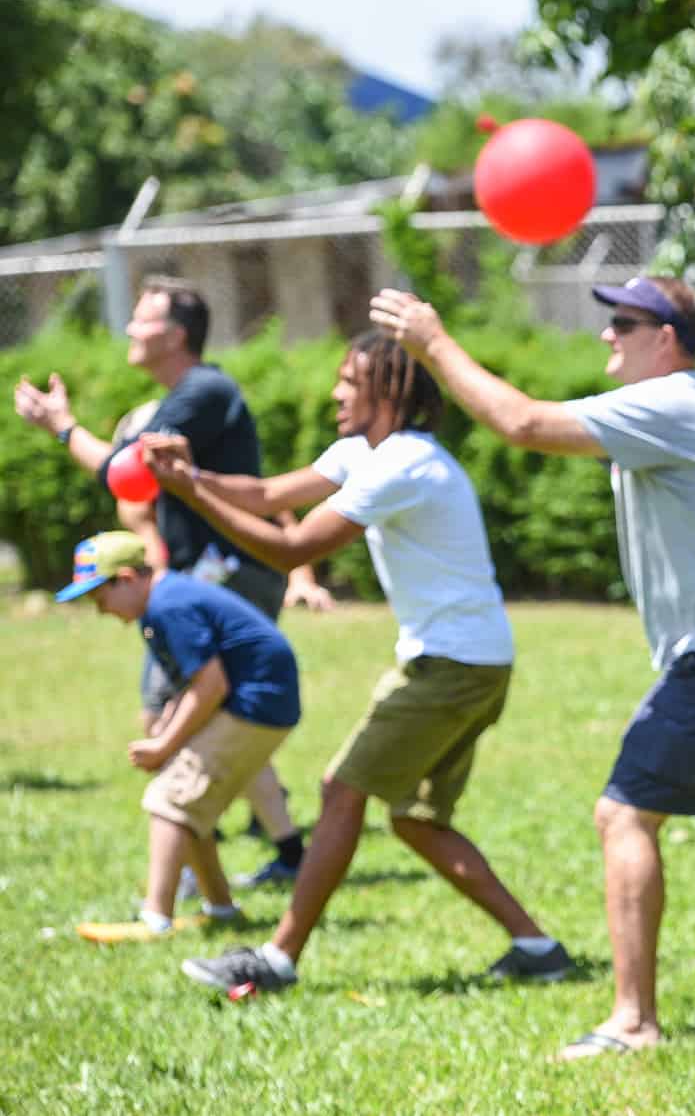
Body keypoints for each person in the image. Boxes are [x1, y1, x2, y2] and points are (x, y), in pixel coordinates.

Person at [368, 277, 695, 1059]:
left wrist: (435, 343)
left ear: (667, 338)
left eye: (623, 321)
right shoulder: (665, 406)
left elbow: (523, 423)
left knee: (623, 814)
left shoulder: (676, 403)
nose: (606, 334)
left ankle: (633, 1020)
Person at [145, 329, 569, 993]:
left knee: (342, 789)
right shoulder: (363, 453)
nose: (337, 392)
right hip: (466, 659)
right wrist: (191, 476)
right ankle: (537, 947)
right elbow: (267, 495)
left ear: (389, 389)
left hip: (454, 664)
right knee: (416, 820)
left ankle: (278, 958)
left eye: (351, 380)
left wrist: (194, 495)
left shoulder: (406, 464)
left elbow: (292, 550)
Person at [14, 277, 312, 886]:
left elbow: (125, 472)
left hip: (227, 576)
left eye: (142, 318)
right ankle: (278, 852)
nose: (130, 328)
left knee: (169, 716)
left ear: (176, 335)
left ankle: (190, 854)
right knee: (218, 715)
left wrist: (65, 428)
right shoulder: (190, 395)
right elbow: (129, 479)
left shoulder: (203, 391)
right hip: (212, 577)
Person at [54, 531, 299, 943]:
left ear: (127, 578)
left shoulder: (168, 606)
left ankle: (156, 919)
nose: (100, 610)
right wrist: (170, 728)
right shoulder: (164, 602)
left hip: (254, 705)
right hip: (259, 703)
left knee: (169, 800)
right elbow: (198, 681)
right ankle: (221, 908)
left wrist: (164, 744)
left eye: (100, 597)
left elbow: (211, 685)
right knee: (191, 806)